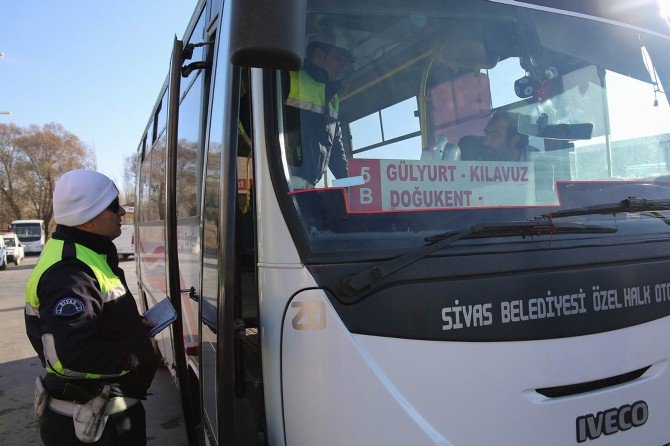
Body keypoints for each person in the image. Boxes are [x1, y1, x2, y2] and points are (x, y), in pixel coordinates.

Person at [25, 169, 157, 445]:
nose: (122, 211)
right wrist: (134, 354)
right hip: (96, 426)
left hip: (102, 416)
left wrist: (132, 326)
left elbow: (97, 319)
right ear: (87, 221)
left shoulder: (86, 253)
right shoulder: (70, 272)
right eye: (113, 206)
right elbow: (74, 354)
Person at [285, 28, 353, 188]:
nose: (344, 66)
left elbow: (335, 148)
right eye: (338, 58)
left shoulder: (333, 98)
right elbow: (248, 116)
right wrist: (274, 168)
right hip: (280, 187)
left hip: (306, 189)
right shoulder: (289, 78)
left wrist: (353, 186)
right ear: (318, 55)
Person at [461, 111, 534, 162]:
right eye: (486, 134)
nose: (485, 142)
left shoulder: (537, 160)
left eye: (494, 135)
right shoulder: (469, 153)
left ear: (515, 139)